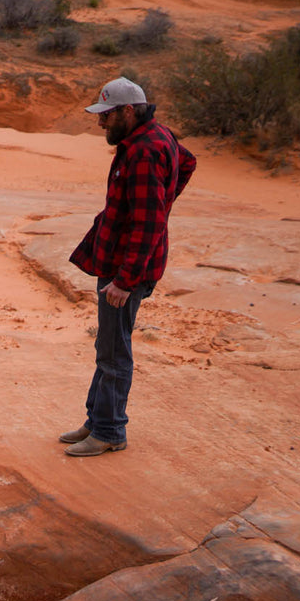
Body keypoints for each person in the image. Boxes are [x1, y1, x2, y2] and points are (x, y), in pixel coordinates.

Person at [60, 77, 196, 457]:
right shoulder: (152, 137)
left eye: (106, 115)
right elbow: (188, 162)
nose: (100, 123)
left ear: (128, 111)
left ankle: (109, 431)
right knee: (107, 344)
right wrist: (167, 196)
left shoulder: (144, 152)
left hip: (127, 270)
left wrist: (123, 281)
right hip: (123, 263)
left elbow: (147, 223)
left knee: (114, 352)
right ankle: (97, 419)